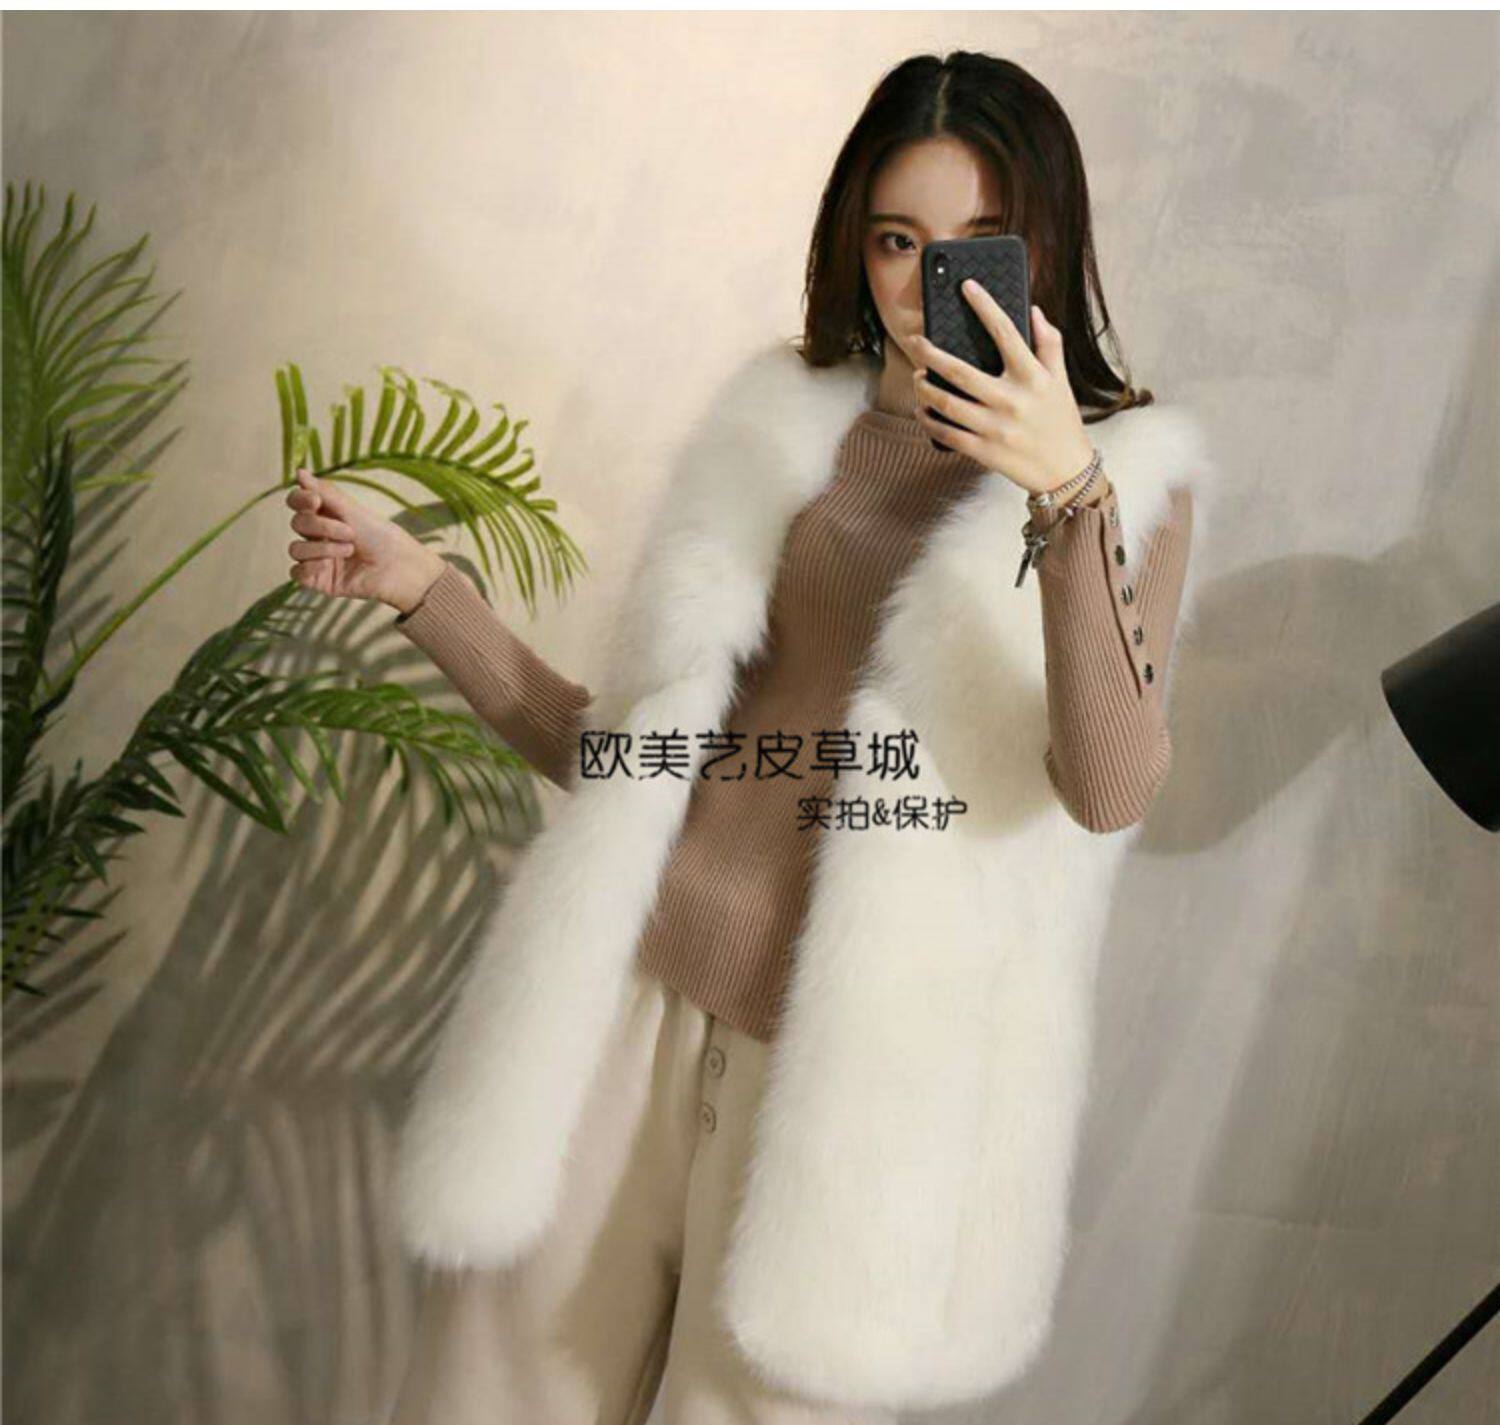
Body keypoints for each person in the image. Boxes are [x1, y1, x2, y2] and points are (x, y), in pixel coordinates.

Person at [286, 49, 1200, 1425]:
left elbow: (1111, 782)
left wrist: (1064, 492)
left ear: (1045, 248)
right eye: (896, 241)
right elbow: (634, 757)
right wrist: (428, 591)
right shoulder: (789, 427)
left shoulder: (1121, 479)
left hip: (840, 1090)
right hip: (630, 1012)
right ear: (854, 246)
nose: (928, 286)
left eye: (976, 243)